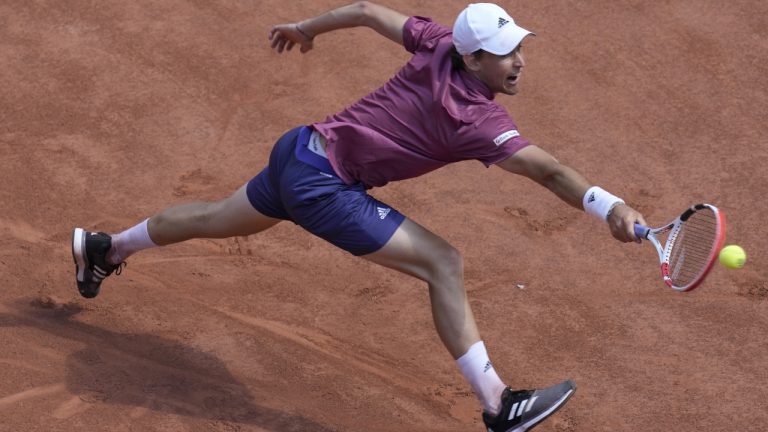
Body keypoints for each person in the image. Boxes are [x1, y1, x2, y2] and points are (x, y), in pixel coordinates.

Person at [71, 2, 647, 430]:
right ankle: (498, 403)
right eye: (505, 57)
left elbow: (370, 12)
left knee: (217, 216)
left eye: (519, 49)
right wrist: (611, 206)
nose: (519, 63)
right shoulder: (476, 119)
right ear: (473, 60)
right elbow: (548, 172)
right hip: (325, 185)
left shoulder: (440, 43)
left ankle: (107, 248)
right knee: (443, 262)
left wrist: (306, 29)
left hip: (300, 148)